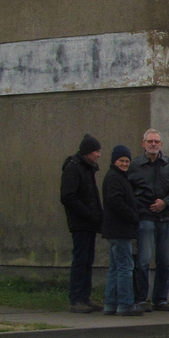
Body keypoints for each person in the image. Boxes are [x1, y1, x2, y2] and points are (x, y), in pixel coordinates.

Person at [127, 128, 169, 311]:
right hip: (145, 218)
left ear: (161, 144)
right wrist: (141, 208)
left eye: (157, 142)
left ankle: (160, 299)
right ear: (143, 143)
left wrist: (165, 202)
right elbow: (128, 192)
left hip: (167, 218)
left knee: (166, 262)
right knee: (143, 261)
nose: (153, 144)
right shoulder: (135, 165)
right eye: (150, 141)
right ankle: (141, 299)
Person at [60, 134, 104, 313]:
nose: (99, 155)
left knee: (87, 260)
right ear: (87, 152)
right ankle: (76, 298)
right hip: (80, 223)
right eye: (96, 151)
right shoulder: (74, 168)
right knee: (80, 259)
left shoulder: (87, 168)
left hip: (89, 222)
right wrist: (88, 214)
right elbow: (67, 196)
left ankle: (85, 296)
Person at [101, 145, 143, 316]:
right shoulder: (114, 178)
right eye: (122, 161)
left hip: (115, 230)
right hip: (120, 230)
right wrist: (133, 216)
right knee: (125, 267)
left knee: (115, 268)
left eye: (127, 161)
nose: (125, 164)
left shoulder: (118, 177)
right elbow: (116, 201)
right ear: (114, 161)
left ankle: (111, 304)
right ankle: (125, 304)